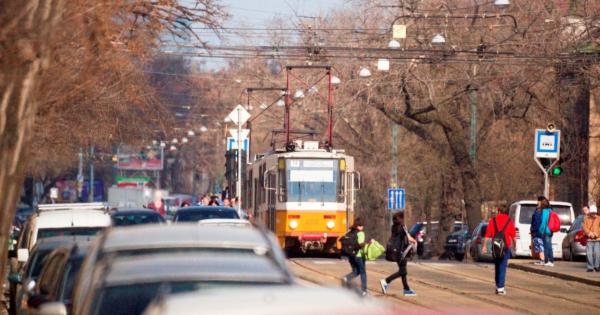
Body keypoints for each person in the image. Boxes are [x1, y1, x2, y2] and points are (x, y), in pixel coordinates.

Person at [379, 212, 417, 297]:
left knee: (403, 271)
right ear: (401, 218)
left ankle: (406, 289)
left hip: (395, 251)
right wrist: (415, 241)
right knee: (403, 271)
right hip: (402, 252)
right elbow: (409, 238)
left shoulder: (394, 227)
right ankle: (386, 281)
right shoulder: (402, 226)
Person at [482, 205, 516, 295]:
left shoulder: (493, 221)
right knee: (502, 266)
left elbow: (487, 235)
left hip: (495, 246)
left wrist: (484, 246)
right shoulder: (509, 221)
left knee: (497, 266)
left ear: (499, 211)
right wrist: (515, 246)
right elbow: (513, 236)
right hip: (506, 247)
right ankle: (501, 287)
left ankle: (498, 286)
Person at [342, 217, 368, 296]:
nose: (362, 227)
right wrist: (368, 242)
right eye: (362, 225)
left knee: (356, 271)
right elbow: (360, 244)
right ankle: (364, 290)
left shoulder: (350, 232)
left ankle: (346, 278)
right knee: (363, 272)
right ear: (359, 226)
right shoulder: (361, 233)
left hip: (351, 256)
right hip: (359, 255)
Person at [538, 196, 554, 267]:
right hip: (550, 230)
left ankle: (547, 260)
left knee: (546, 246)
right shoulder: (550, 210)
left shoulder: (544, 211)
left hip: (546, 230)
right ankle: (551, 260)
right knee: (549, 245)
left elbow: (543, 222)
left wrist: (540, 230)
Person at [583, 205, 600, 272]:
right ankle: (590, 267)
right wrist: (589, 233)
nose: (593, 214)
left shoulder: (599, 218)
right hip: (589, 239)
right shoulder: (586, 219)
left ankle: (597, 266)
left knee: (597, 253)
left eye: (594, 213)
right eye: (592, 213)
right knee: (589, 253)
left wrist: (597, 234)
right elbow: (584, 227)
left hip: (597, 239)